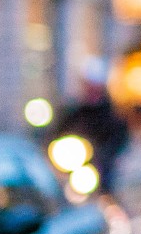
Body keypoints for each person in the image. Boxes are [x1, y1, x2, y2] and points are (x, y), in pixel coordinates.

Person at [54, 64, 130, 194]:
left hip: (100, 167)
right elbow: (57, 133)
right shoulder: (74, 112)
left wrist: (102, 155)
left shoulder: (111, 114)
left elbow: (119, 139)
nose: (90, 89)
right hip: (74, 164)